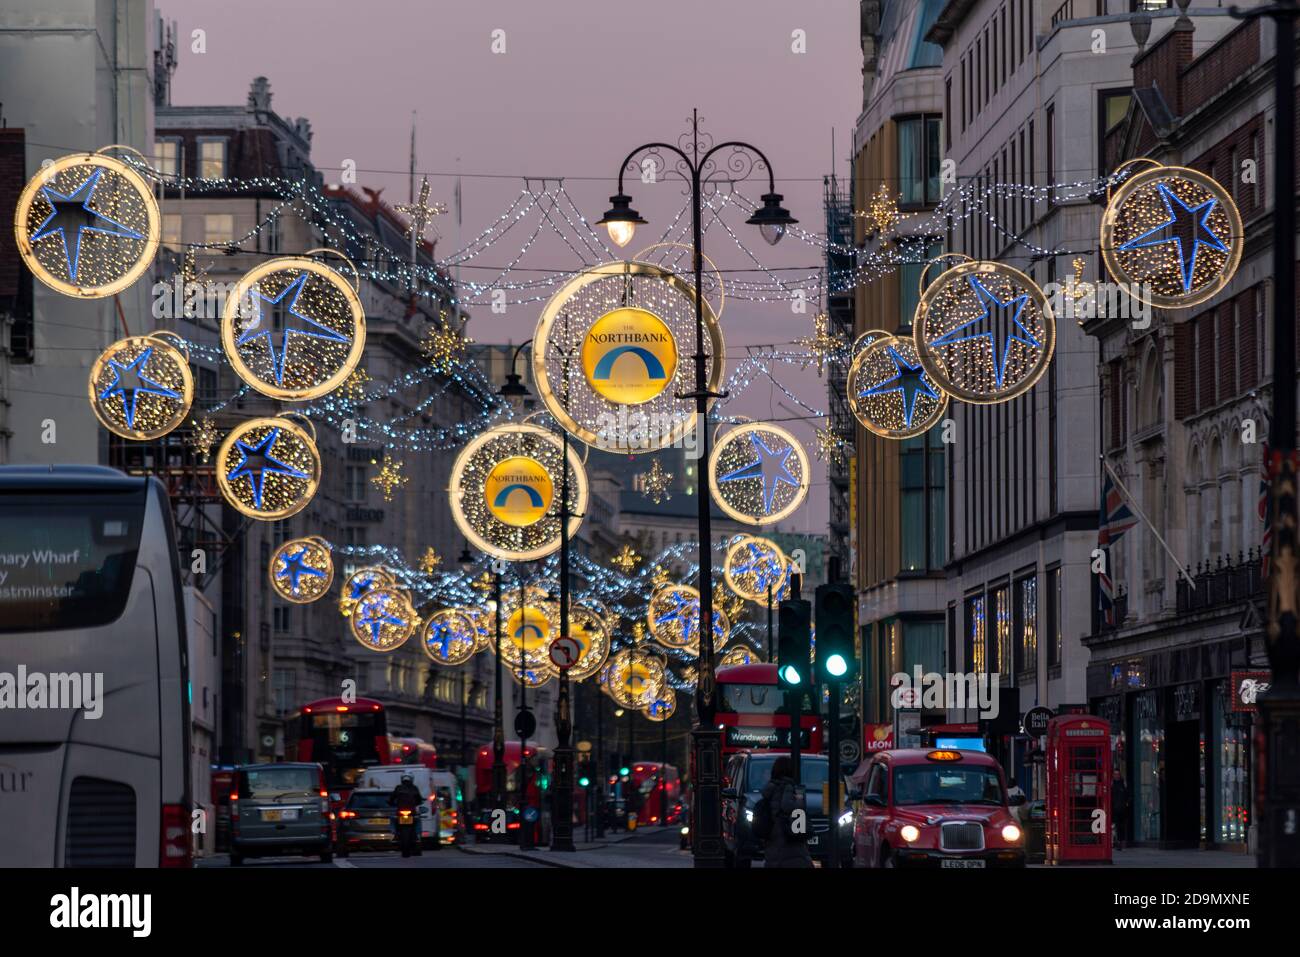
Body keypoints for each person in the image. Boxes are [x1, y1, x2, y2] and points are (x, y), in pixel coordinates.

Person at [760, 756, 813, 869]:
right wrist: (799, 800)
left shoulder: (769, 790)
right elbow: (789, 807)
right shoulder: (788, 787)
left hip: (773, 843)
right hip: (789, 844)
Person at [389, 773, 424, 858]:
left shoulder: (398, 788)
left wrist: (391, 802)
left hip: (401, 812)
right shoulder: (414, 788)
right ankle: (418, 836)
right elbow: (419, 799)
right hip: (411, 812)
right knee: (418, 820)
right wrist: (419, 802)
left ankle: (394, 834)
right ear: (411, 779)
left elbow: (392, 798)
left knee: (393, 820)